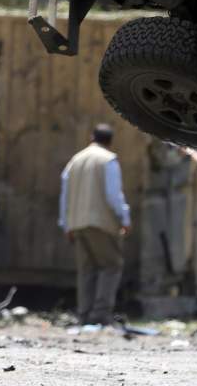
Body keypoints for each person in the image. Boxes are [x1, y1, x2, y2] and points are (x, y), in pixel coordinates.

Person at [59, 123, 131, 326]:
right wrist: (125, 218)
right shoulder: (108, 160)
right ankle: (100, 315)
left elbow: (64, 195)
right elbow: (113, 195)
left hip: (77, 223)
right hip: (100, 223)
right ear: (110, 141)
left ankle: (84, 315)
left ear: (91, 137)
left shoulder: (75, 160)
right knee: (111, 266)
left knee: (87, 270)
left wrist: (66, 224)